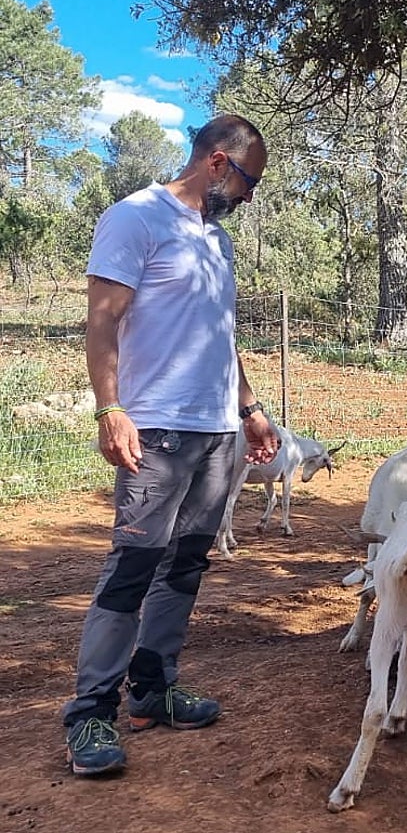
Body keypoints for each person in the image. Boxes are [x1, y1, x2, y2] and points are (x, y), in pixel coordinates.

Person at [61, 113, 281, 776]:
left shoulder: (218, 241)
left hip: (216, 432)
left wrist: (250, 409)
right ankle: (90, 712)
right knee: (133, 566)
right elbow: (102, 320)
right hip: (154, 427)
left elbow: (219, 333)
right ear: (217, 162)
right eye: (247, 182)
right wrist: (111, 409)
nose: (248, 197)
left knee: (186, 564)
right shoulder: (136, 218)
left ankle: (153, 689)